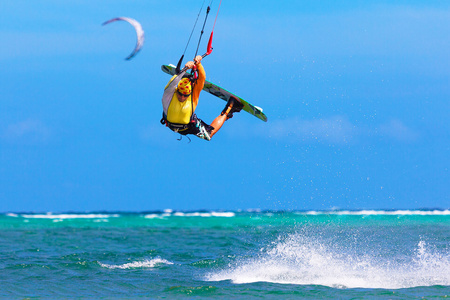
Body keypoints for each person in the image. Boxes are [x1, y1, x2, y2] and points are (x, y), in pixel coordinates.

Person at [160, 55, 243, 141]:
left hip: (189, 127)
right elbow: (172, 83)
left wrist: (198, 64)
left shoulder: (193, 96)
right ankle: (232, 107)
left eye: (185, 95)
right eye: (180, 94)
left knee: (209, 135)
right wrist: (184, 69)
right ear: (176, 90)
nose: (182, 97)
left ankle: (229, 109)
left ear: (190, 93)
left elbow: (201, 79)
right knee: (208, 136)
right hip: (172, 125)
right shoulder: (169, 95)